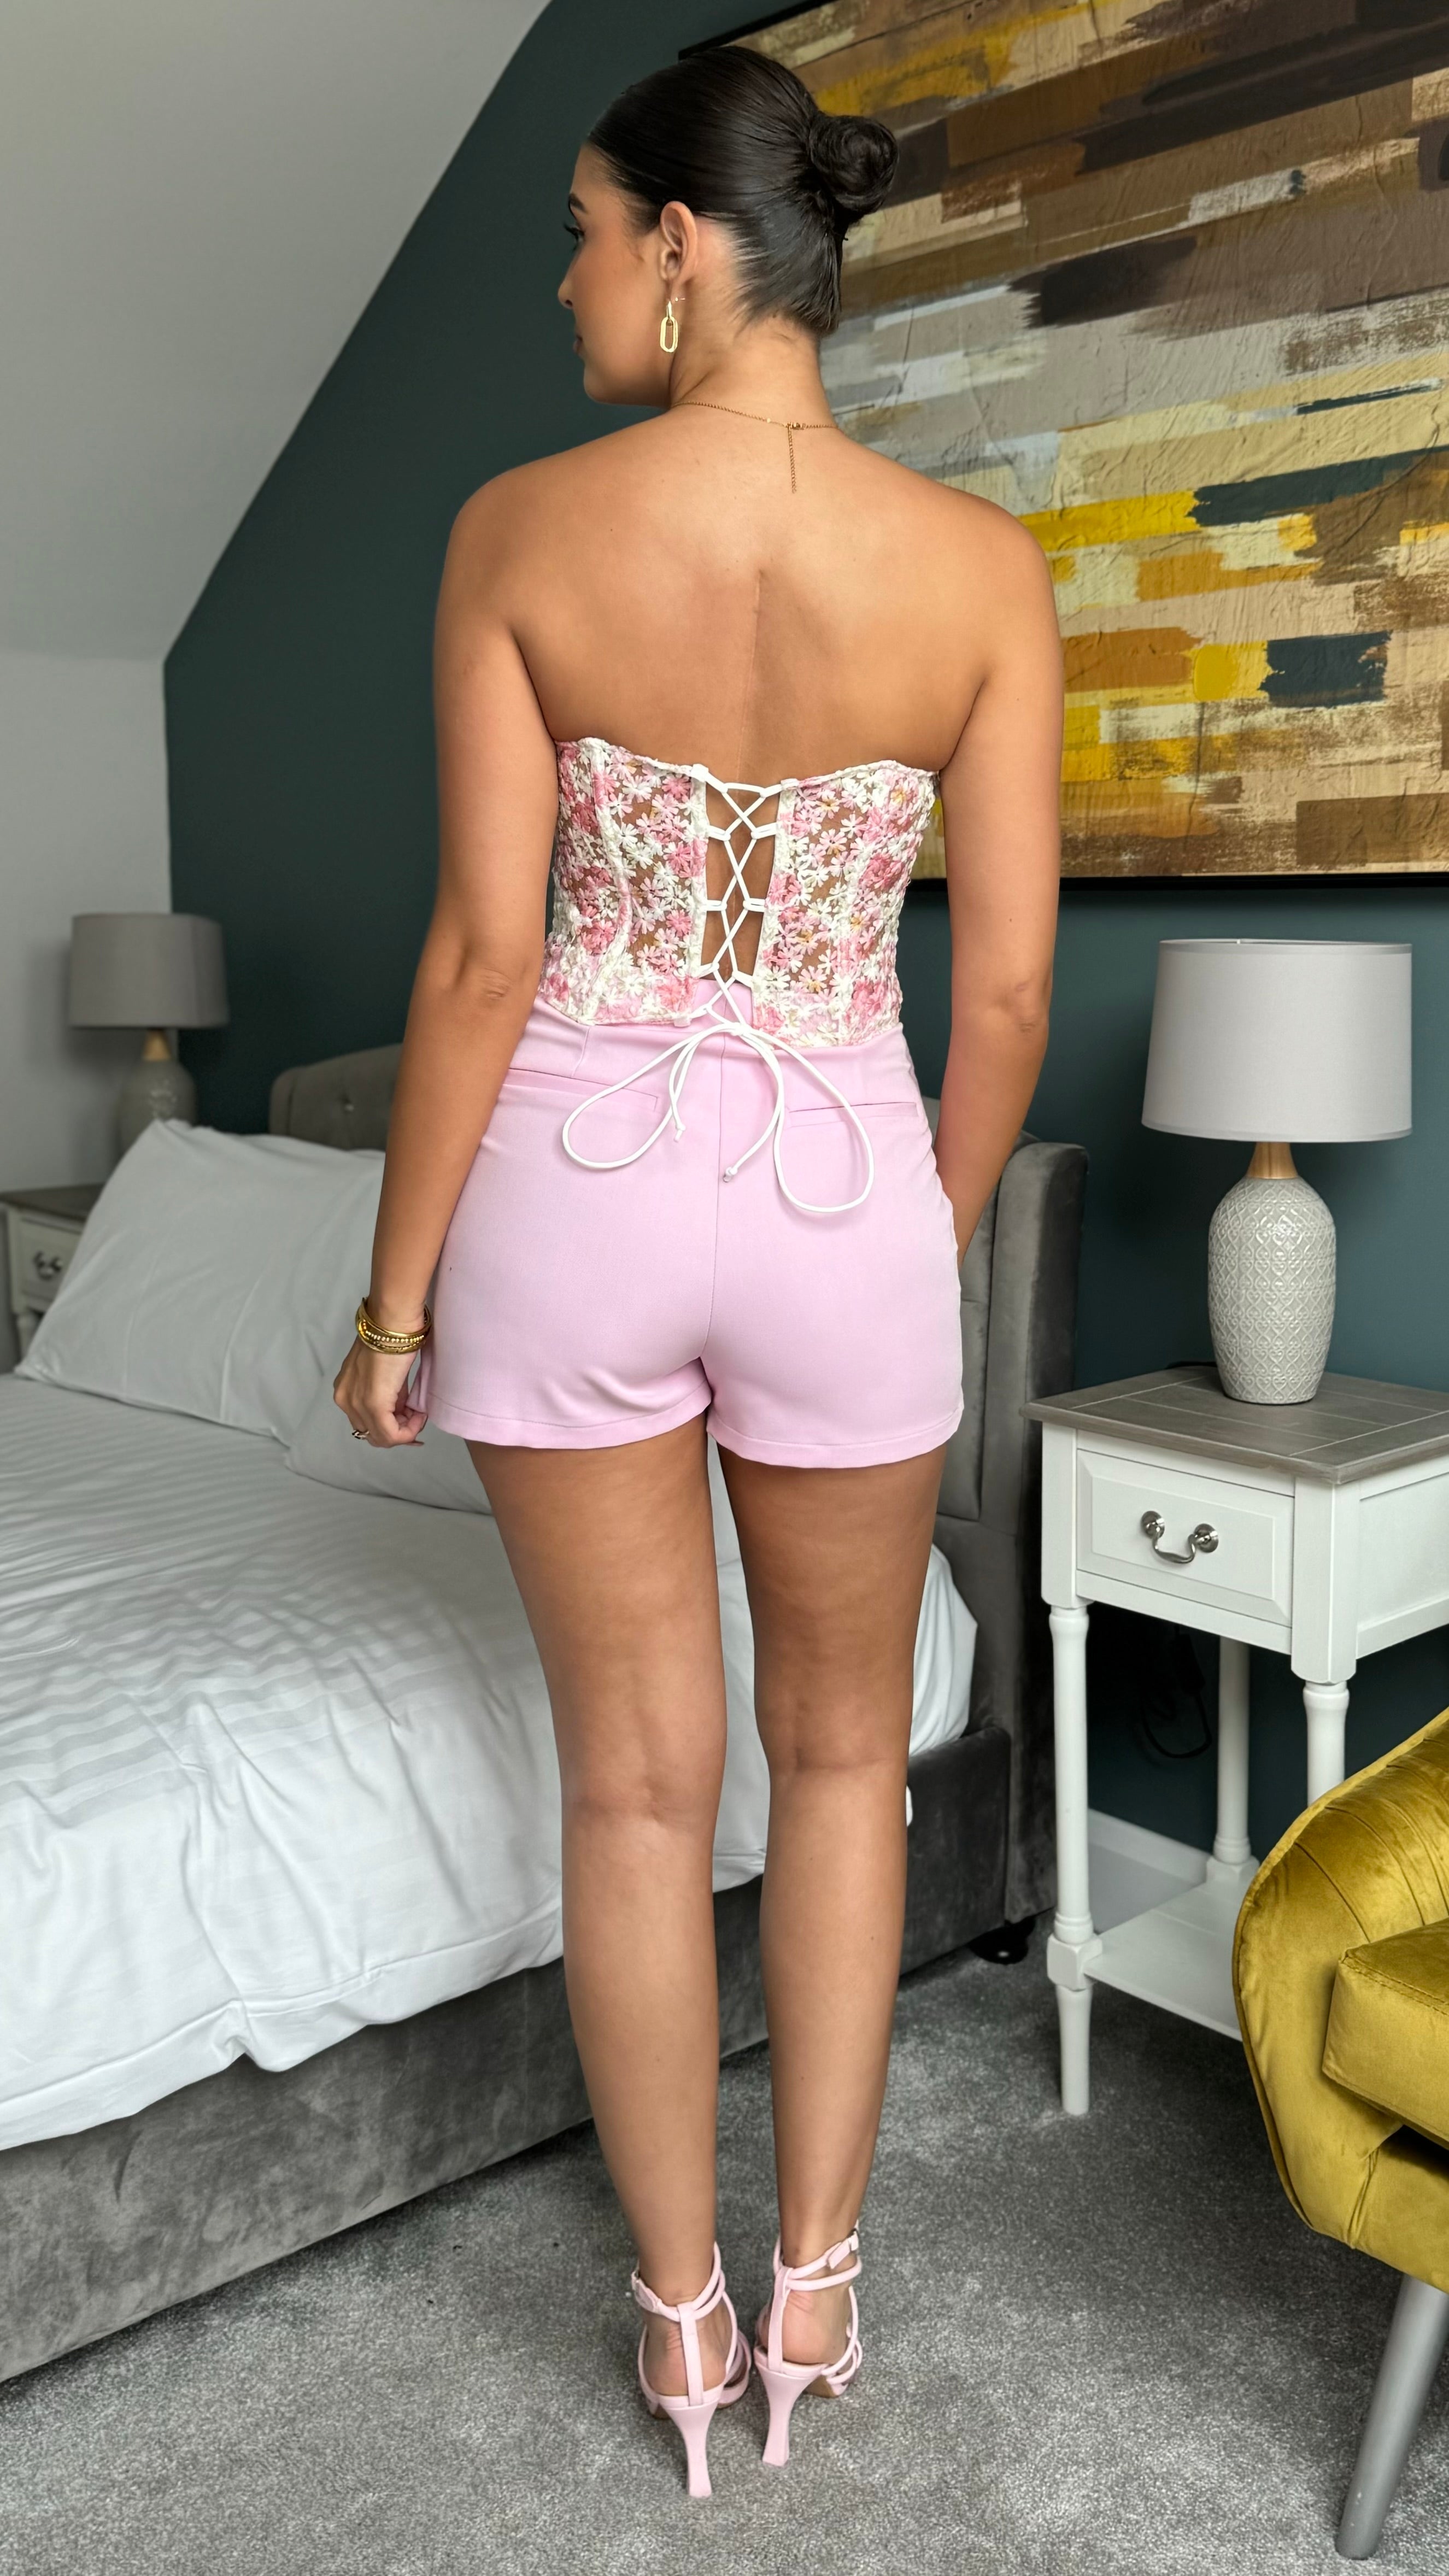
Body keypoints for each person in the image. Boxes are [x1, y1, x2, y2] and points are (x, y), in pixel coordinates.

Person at [333, 44, 1061, 2501]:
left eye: (574, 230)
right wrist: (899, 1254)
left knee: (639, 1792)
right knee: (846, 1759)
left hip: (577, 1188)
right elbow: (1003, 1004)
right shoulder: (979, 574)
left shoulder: (521, 532)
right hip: (847, 1190)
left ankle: (677, 2320)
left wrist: (396, 1305)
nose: (559, 282)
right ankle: (818, 2282)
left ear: (675, 242)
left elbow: (480, 959)